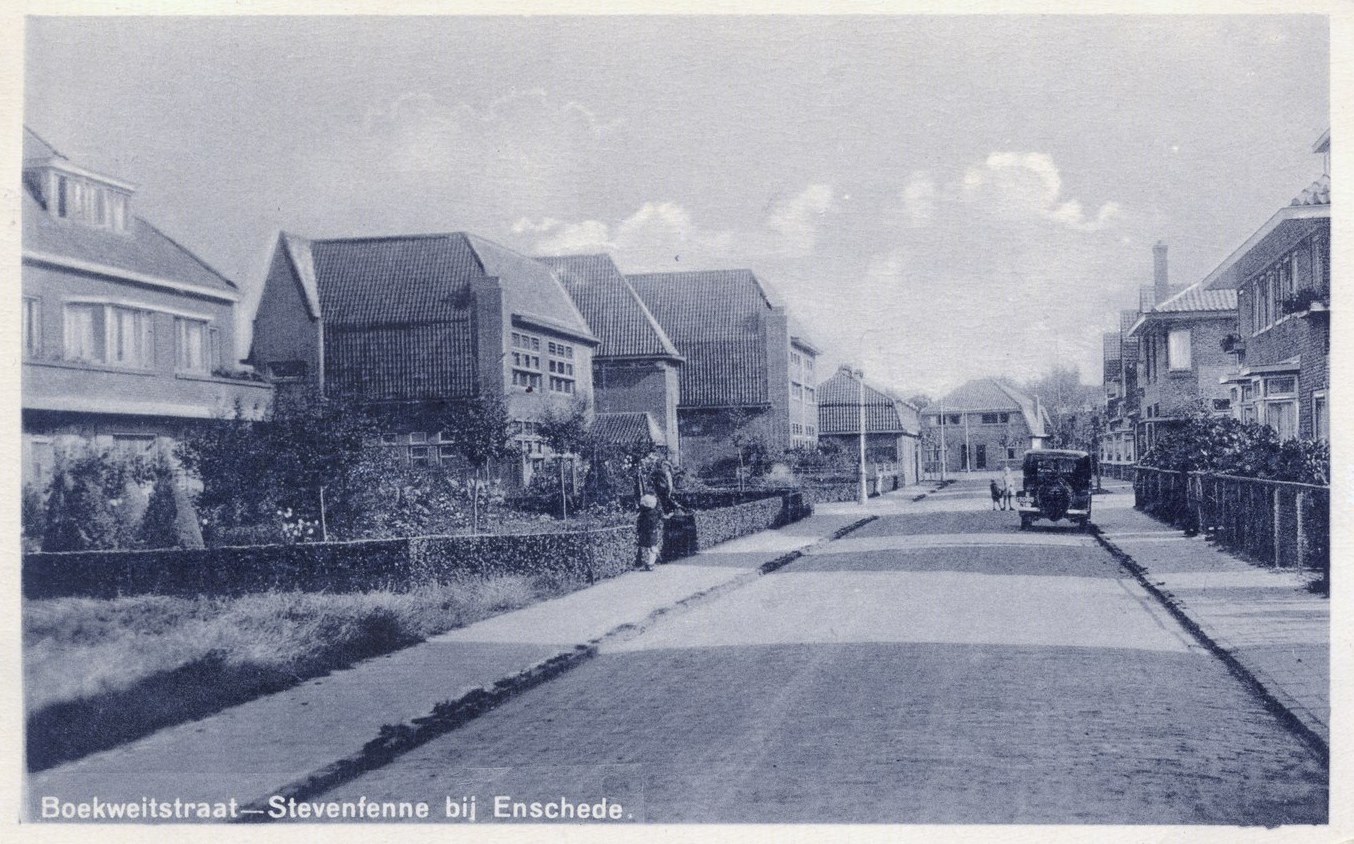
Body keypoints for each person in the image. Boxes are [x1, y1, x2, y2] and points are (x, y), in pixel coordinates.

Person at [635, 494, 664, 571]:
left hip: (647, 531)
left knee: (649, 547)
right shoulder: (654, 512)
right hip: (652, 531)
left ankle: (650, 563)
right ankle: (651, 563)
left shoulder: (644, 512)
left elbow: (640, 521)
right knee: (651, 547)